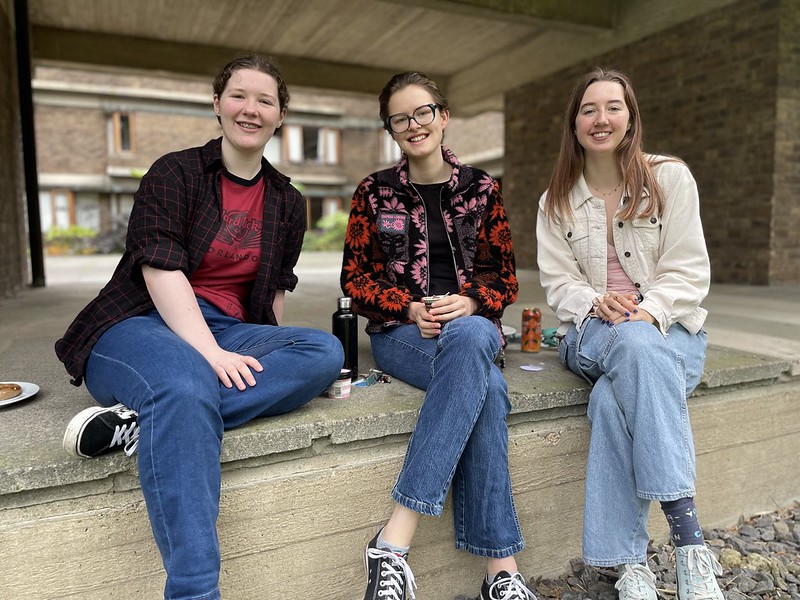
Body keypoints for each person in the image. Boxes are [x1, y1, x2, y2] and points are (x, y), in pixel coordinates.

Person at [55, 54, 343, 600]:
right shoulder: (175, 172)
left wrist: (278, 359)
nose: (250, 109)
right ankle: (194, 591)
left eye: (265, 100)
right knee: (185, 386)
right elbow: (160, 269)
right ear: (217, 103)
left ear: (281, 115)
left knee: (323, 352)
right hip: (139, 322)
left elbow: (273, 292)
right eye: (238, 95)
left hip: (230, 328)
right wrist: (211, 355)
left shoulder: (288, 201)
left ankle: (146, 419)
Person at [341, 71, 536, 600]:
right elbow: (355, 281)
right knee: (487, 388)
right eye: (400, 118)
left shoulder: (482, 188)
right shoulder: (373, 192)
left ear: (443, 116)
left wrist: (470, 301)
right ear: (390, 129)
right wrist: (408, 309)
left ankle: (394, 539)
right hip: (403, 335)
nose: (414, 124)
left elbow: (505, 278)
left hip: (472, 328)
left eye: (423, 112)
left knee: (470, 335)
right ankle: (502, 573)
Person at [536, 67, 724, 600]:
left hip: (671, 330)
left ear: (630, 116)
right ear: (574, 124)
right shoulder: (555, 201)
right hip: (593, 332)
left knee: (609, 399)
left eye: (612, 107)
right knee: (635, 348)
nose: (601, 119)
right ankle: (689, 542)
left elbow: (688, 270)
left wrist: (650, 310)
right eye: (588, 109)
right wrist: (596, 301)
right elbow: (559, 284)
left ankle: (630, 565)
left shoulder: (670, 179)